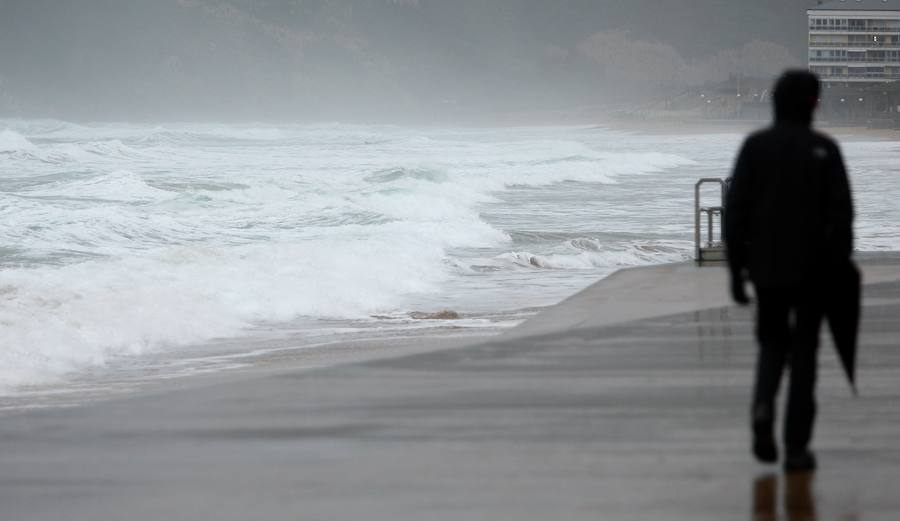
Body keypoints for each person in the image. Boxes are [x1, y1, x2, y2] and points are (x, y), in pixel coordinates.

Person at [725, 70, 854, 472]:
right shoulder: (823, 149)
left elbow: (736, 213)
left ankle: (763, 407)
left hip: (767, 269)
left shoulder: (755, 146)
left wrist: (736, 270)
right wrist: (838, 266)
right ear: (812, 104)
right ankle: (796, 447)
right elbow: (843, 216)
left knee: (772, 343)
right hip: (814, 271)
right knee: (804, 356)